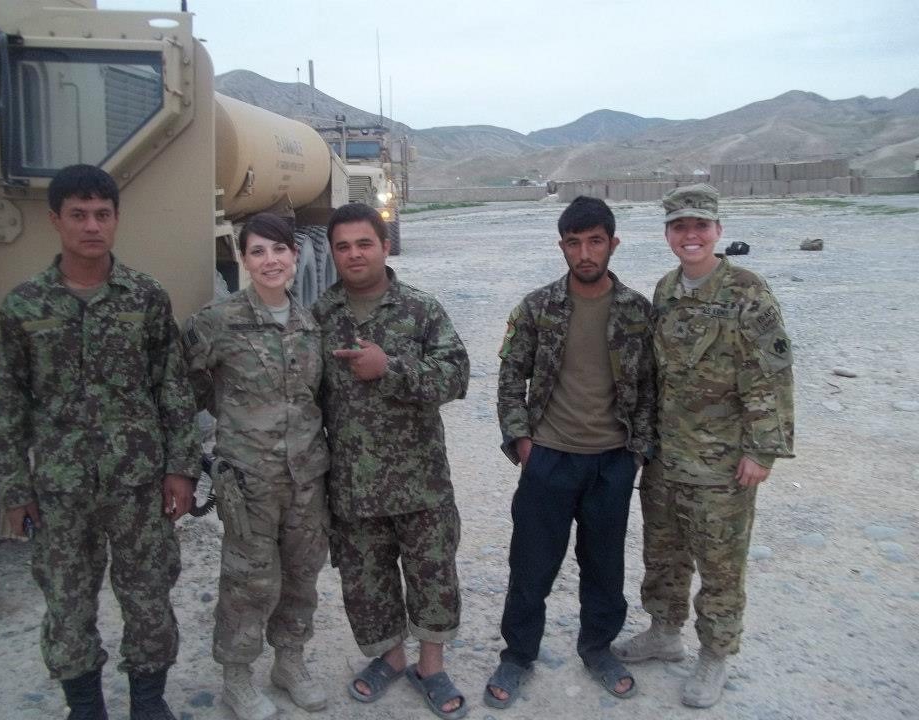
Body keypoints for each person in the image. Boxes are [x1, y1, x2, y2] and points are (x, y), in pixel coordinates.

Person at [0, 164, 200, 720]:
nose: (91, 226)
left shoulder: (146, 297)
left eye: (102, 214)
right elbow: (8, 405)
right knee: (66, 604)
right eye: (78, 215)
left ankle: (148, 704)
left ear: (116, 220)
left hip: (138, 485)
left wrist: (181, 469)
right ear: (55, 220)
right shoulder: (25, 305)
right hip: (60, 491)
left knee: (149, 597)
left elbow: (172, 387)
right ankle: (85, 708)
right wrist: (15, 491)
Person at [612, 184, 794, 708]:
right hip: (667, 457)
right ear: (668, 233)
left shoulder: (746, 291)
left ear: (717, 230)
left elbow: (770, 374)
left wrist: (762, 450)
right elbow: (656, 373)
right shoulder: (666, 290)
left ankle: (715, 654)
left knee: (720, 565)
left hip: (722, 463)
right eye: (679, 227)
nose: (690, 236)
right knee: (663, 554)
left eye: (700, 226)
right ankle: (664, 633)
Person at [485, 196, 657, 708]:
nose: (585, 253)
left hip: (612, 461)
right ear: (562, 246)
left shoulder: (637, 311)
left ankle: (598, 648)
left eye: (595, 242)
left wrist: (637, 451)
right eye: (574, 243)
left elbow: (651, 387)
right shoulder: (537, 307)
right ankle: (518, 655)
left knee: (604, 566)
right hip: (550, 459)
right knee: (531, 565)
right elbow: (510, 378)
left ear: (612, 244)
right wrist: (522, 442)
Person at [312, 202, 470, 720]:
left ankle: (431, 665)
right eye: (343, 246)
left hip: (419, 479)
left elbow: (456, 376)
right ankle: (392, 658)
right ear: (332, 253)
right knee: (365, 579)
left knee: (432, 573)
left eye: (364, 243)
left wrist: (390, 368)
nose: (354, 254)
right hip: (353, 482)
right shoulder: (319, 317)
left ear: (384, 245)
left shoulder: (421, 309)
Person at [182, 213, 330, 720]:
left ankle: (289, 662)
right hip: (249, 482)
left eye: (280, 249)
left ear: (295, 255)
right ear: (244, 260)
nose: (271, 260)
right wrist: (230, 422)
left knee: (302, 575)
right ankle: (237, 677)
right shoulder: (216, 322)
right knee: (248, 580)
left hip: (306, 478)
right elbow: (187, 388)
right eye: (258, 251)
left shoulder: (311, 324)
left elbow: (318, 398)